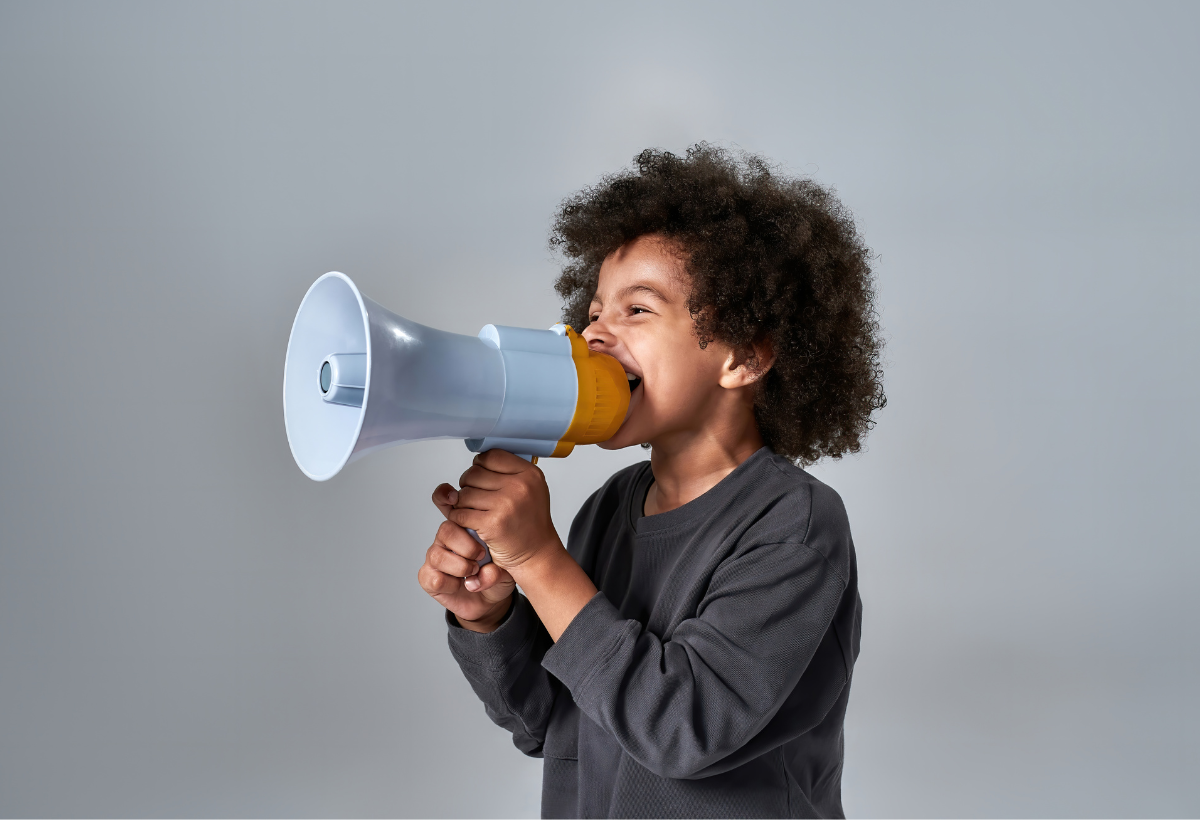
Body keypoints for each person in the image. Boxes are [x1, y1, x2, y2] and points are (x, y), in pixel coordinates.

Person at [416, 144, 885, 819]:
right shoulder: (611, 509)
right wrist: (491, 616)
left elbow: (681, 728)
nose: (596, 334)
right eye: (596, 311)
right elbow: (553, 724)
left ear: (744, 355)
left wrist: (540, 561)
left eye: (638, 310)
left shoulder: (795, 524)